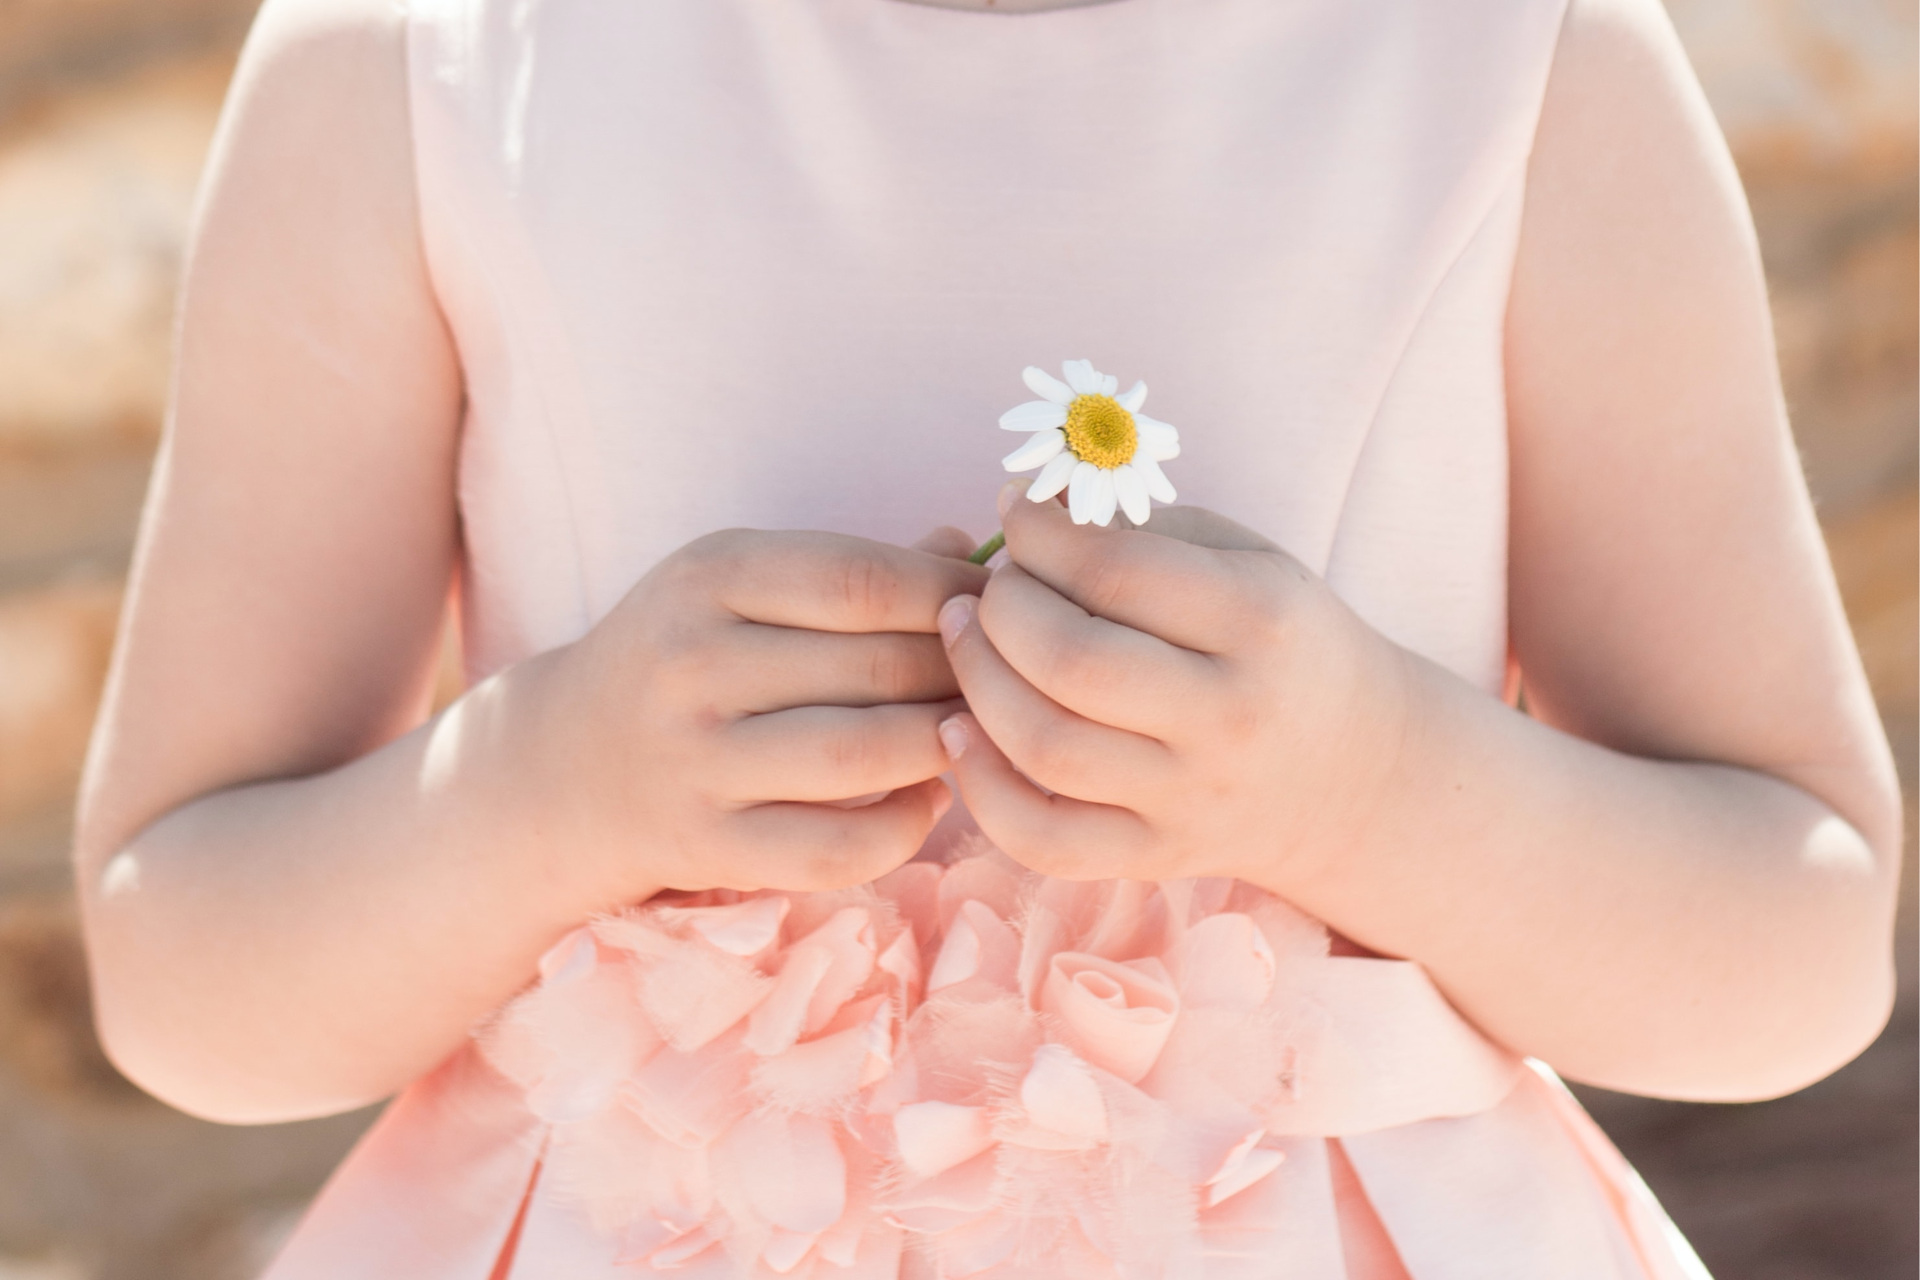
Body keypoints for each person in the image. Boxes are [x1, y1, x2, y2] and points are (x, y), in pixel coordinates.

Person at [73, 0, 1901, 1273]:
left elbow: (1797, 946)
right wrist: (539, 790)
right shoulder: (413, 64)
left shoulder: (1521, 61)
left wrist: (1372, 786)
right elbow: (182, 975)